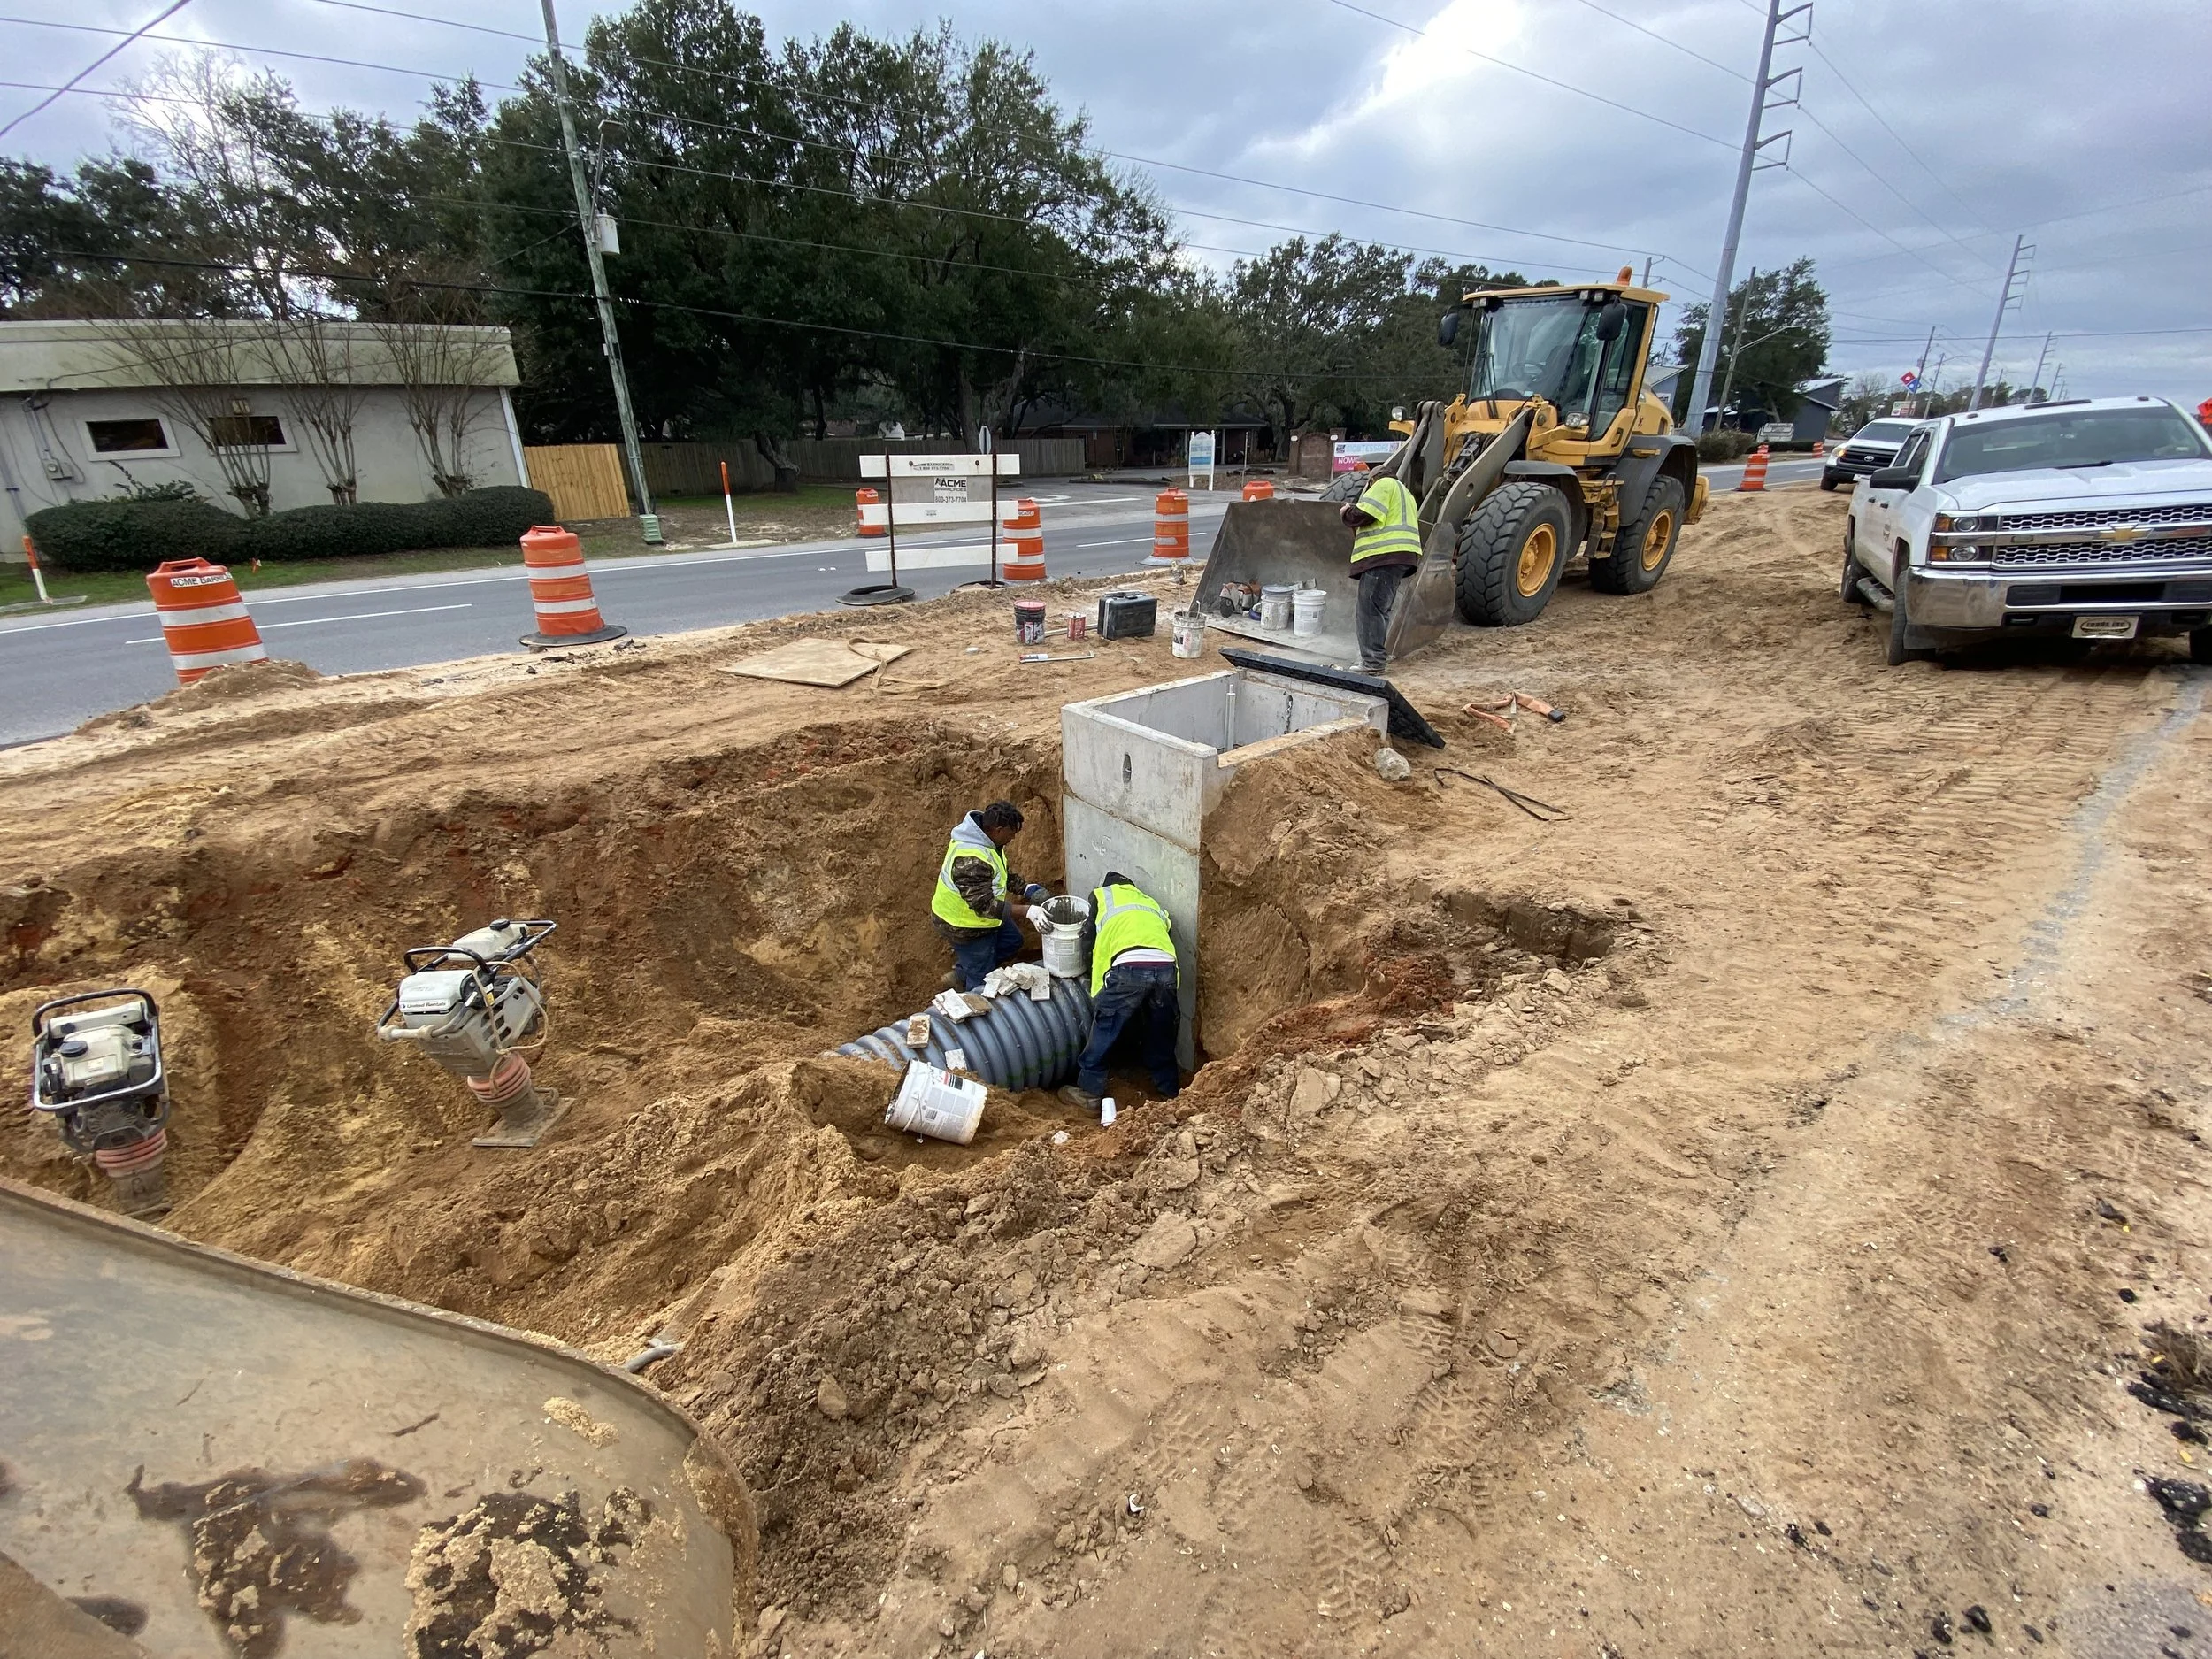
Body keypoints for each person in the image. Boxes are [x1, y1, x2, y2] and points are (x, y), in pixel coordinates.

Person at [1058, 872, 1180, 1114]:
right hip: (1166, 968)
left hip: (1129, 966)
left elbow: (1089, 940)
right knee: (1161, 1027)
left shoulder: (1102, 896)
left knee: (1106, 1025)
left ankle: (1089, 1091)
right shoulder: (1151, 903)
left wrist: (1086, 970)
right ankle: (1170, 1091)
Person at [931, 799, 1043, 991]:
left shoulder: (988, 842)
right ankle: (972, 992)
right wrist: (1027, 911)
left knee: (1013, 941)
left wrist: (1025, 889)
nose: (1013, 838)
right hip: (964, 925)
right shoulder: (971, 859)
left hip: (984, 919)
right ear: (998, 830)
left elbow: (999, 872)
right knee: (981, 981)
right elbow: (985, 907)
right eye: (1012, 833)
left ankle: (962, 972)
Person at [1338, 469, 1423, 674]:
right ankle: (1376, 658)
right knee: (1380, 609)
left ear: (1372, 480)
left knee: (1369, 610)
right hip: (1401, 557)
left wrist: (1347, 513)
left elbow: (1364, 514)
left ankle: (1372, 663)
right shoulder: (1406, 493)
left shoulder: (1383, 485)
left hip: (1383, 556)